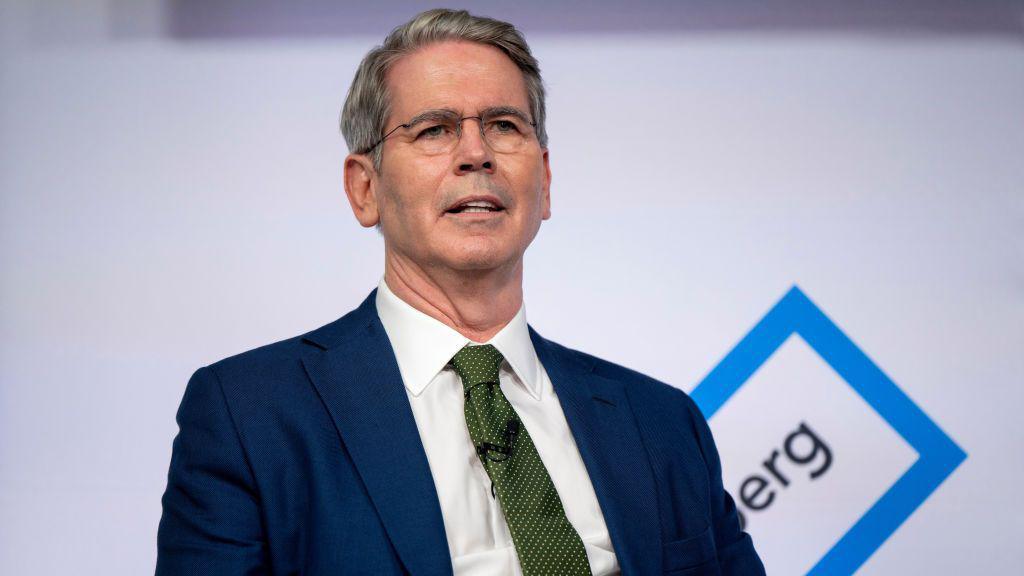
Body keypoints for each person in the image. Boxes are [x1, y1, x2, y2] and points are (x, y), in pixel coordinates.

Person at [156, 8, 764, 576]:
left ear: (545, 182)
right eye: (434, 130)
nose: (477, 154)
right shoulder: (249, 416)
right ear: (364, 188)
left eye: (503, 126)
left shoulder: (662, 423)